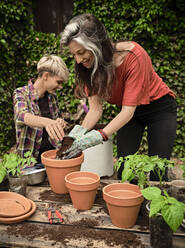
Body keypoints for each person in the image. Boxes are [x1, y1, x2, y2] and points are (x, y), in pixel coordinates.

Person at [60, 13, 177, 181]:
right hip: (129, 114)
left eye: (81, 52)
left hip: (159, 108)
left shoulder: (134, 56)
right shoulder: (89, 67)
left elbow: (127, 111)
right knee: (125, 171)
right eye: (74, 55)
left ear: (97, 45)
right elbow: (95, 110)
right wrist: (76, 136)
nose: (78, 60)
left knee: (158, 172)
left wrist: (99, 136)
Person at [13, 54, 69, 164]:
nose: (60, 87)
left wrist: (60, 122)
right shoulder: (21, 93)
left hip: (51, 158)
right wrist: (47, 122)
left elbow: (58, 119)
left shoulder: (52, 97)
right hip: (29, 162)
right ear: (46, 76)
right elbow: (22, 116)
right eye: (59, 82)